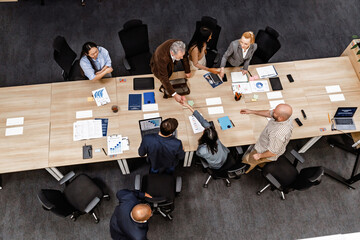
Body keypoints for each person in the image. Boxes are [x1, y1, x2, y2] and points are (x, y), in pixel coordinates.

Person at [240, 104, 294, 173]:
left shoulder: (277, 134)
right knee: (260, 162)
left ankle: (243, 171)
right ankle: (261, 164)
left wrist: (259, 155)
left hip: (264, 152)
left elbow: (273, 152)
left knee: (248, 161)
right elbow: (269, 113)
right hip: (268, 144)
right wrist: (251, 111)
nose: (272, 111)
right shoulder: (285, 118)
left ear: (280, 118)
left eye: (275, 112)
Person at [182, 102, 229, 169]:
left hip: (217, 165)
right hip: (225, 156)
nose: (204, 129)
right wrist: (189, 106)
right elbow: (202, 120)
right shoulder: (215, 138)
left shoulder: (203, 150)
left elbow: (198, 153)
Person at [150, 40, 191, 104]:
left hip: (170, 59)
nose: (182, 57)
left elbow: (185, 58)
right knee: (164, 76)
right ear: (172, 53)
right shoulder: (162, 58)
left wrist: (187, 71)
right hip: (158, 65)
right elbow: (164, 78)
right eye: (180, 56)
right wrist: (174, 94)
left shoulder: (179, 46)